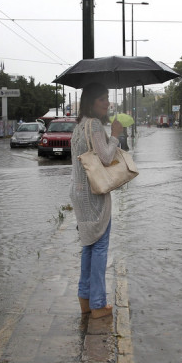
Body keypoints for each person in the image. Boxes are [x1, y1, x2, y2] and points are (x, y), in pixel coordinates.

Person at [70, 83, 123, 319]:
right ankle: (99, 304)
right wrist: (115, 136)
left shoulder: (78, 126)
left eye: (108, 98)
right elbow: (106, 157)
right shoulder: (94, 125)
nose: (107, 103)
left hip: (79, 192)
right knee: (99, 246)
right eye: (102, 99)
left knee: (88, 245)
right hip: (94, 193)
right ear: (91, 102)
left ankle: (86, 301)